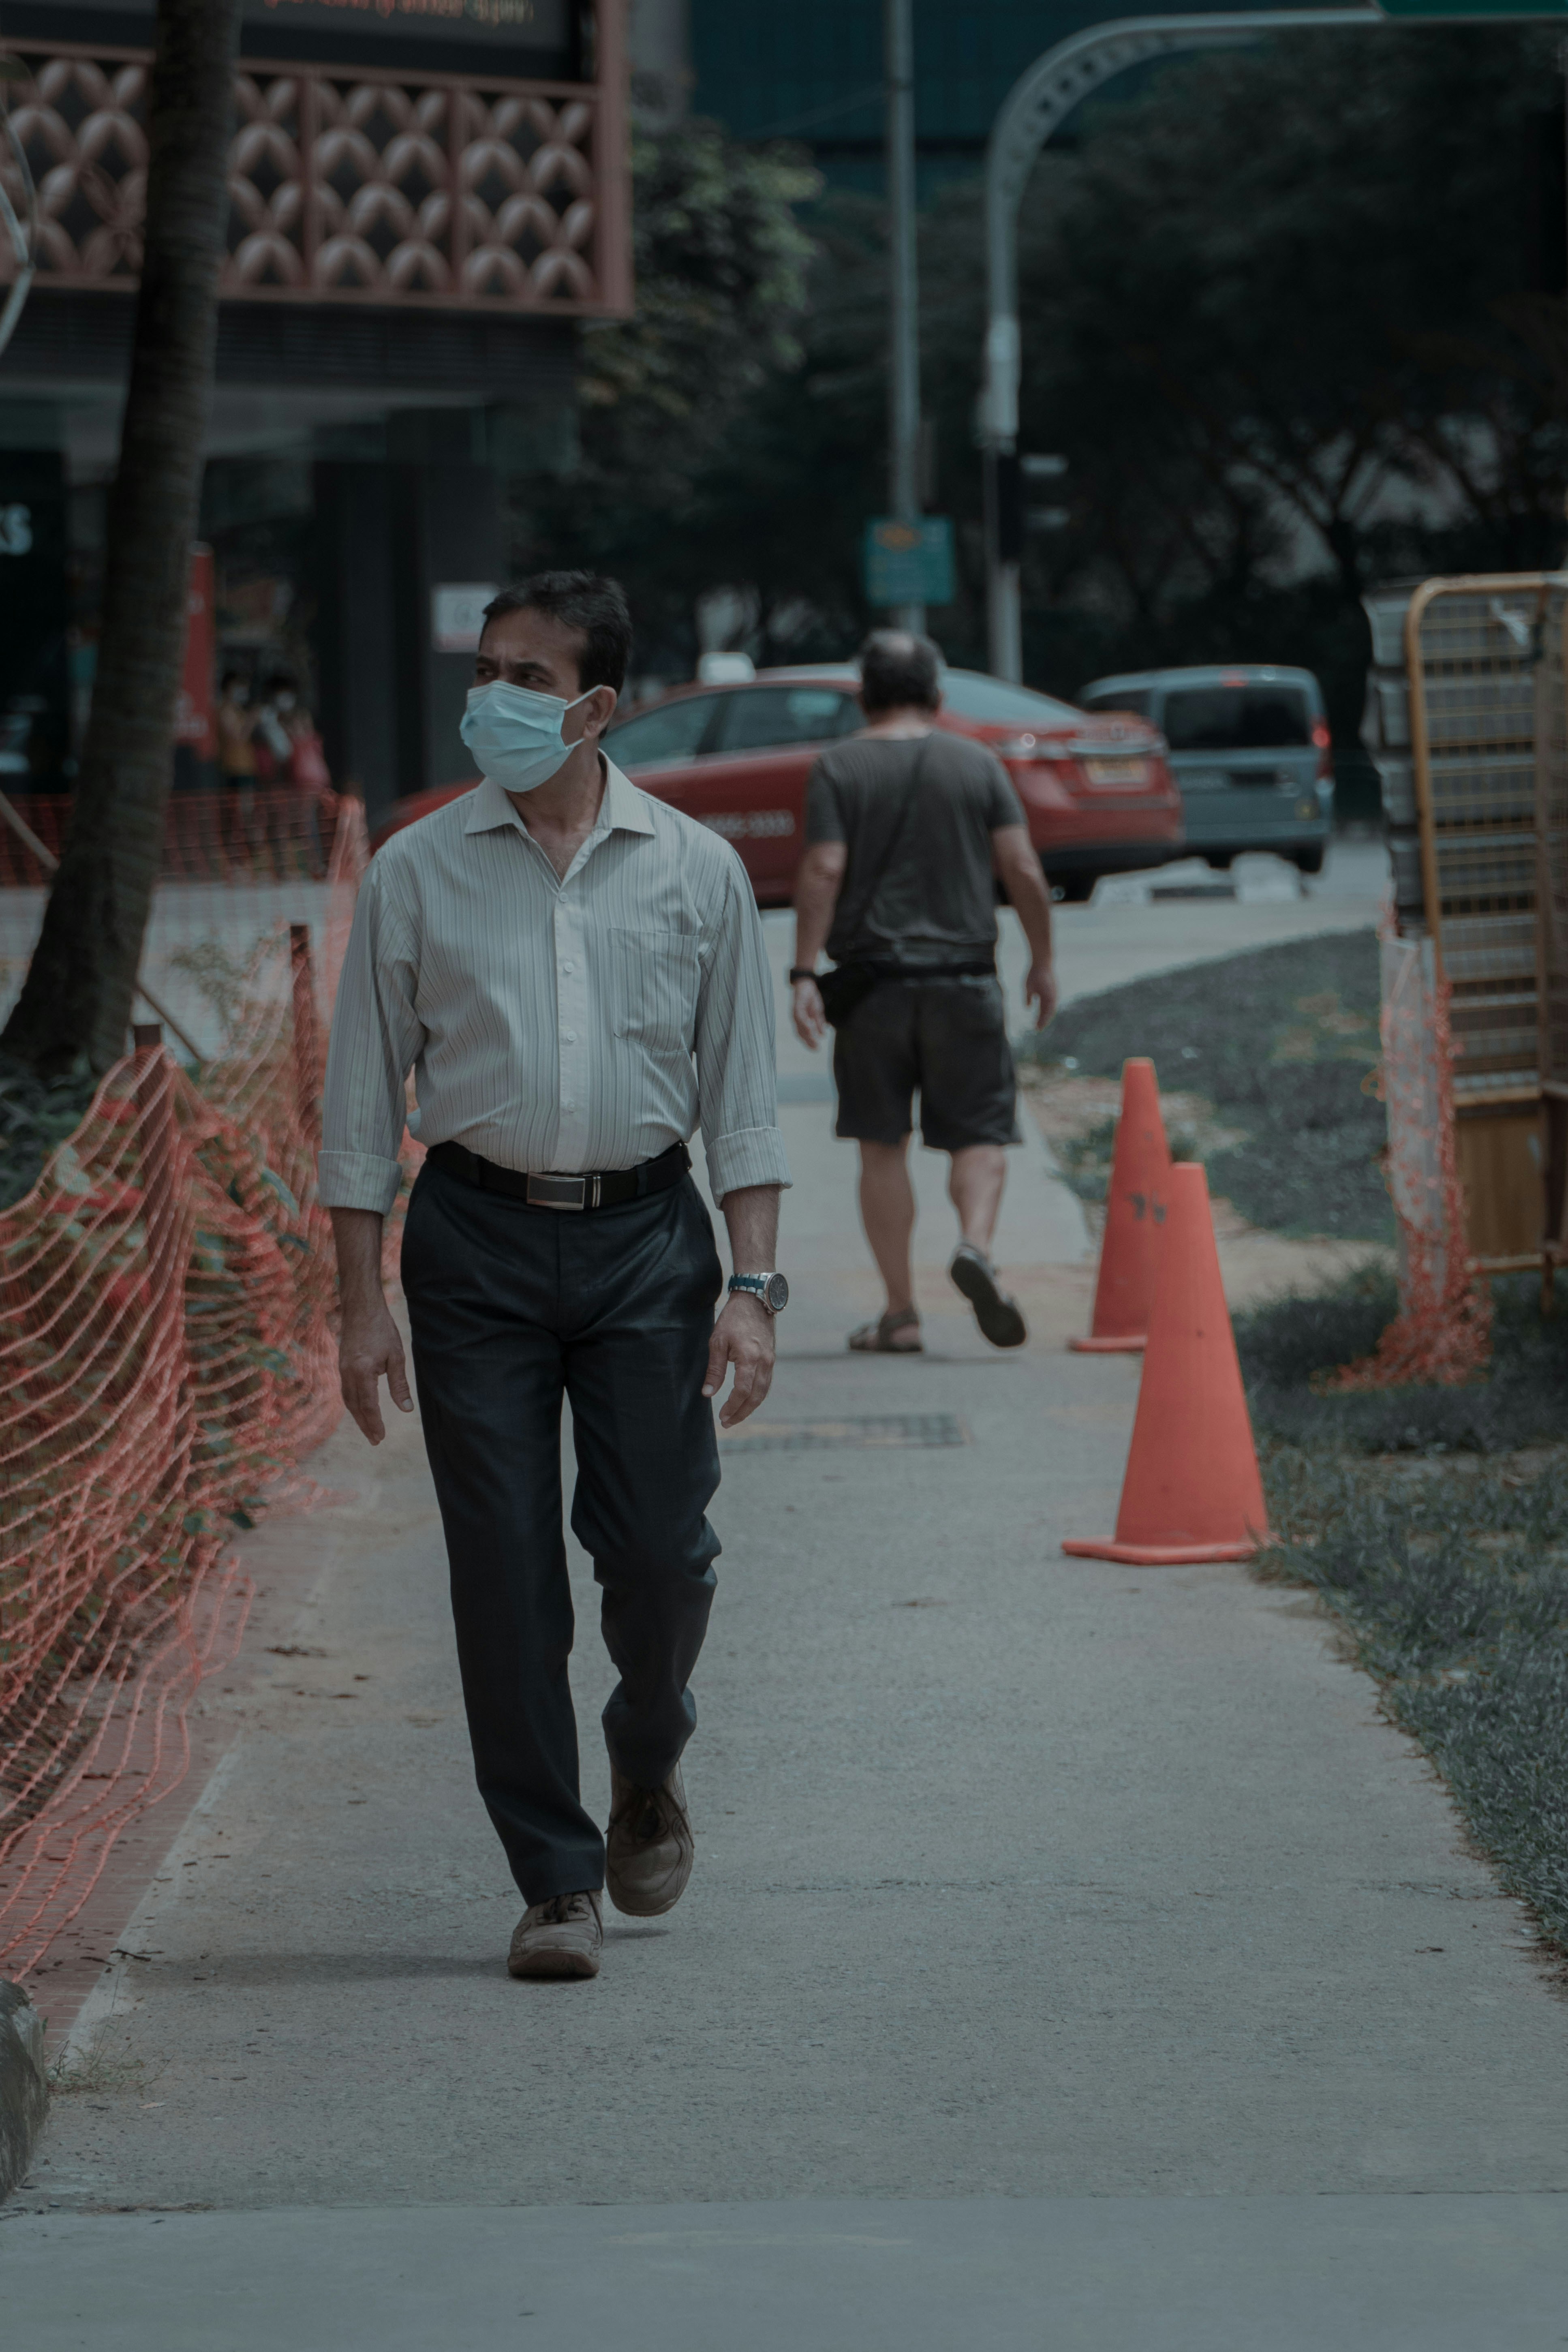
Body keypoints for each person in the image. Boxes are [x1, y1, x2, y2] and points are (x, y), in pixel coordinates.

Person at [319, 571, 790, 1984]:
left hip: (652, 1242)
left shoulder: (698, 870)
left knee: (658, 1551)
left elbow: (746, 1102)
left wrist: (755, 1290)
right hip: (474, 1243)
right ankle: (554, 1876)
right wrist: (359, 1304)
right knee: (503, 1568)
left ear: (596, 704)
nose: (492, 698)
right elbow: (358, 1108)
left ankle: (648, 1750)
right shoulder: (416, 869)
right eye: (487, 666)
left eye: (526, 675)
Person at [790, 629, 1057, 1353]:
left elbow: (821, 870)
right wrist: (1041, 960)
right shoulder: (977, 763)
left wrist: (804, 972)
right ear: (937, 695)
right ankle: (975, 1246)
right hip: (964, 983)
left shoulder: (838, 767)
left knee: (882, 1147)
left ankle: (901, 1313)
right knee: (980, 1136)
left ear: (864, 697)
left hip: (873, 989)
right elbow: (1024, 870)